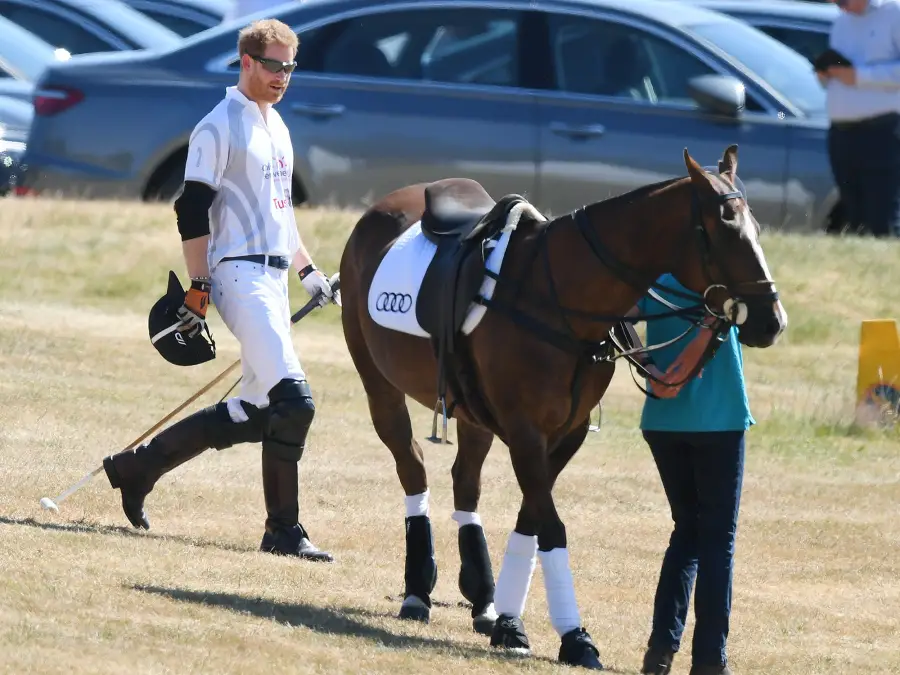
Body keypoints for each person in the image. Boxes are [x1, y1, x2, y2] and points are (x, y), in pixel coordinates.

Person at [102, 18, 336, 562]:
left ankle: (137, 469)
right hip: (236, 275)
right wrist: (199, 285)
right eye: (274, 65)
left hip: (274, 277)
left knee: (256, 409)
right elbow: (189, 208)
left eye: (290, 67)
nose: (283, 77)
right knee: (293, 403)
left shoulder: (277, 125)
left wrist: (308, 273)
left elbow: (282, 214)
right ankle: (283, 531)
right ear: (247, 62)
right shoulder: (218, 124)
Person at [624, 274, 753, 675]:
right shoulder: (732, 272)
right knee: (717, 539)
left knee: (687, 533)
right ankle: (710, 660)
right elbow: (764, 325)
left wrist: (647, 366)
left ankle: (660, 650)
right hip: (720, 419)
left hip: (663, 422)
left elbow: (614, 314)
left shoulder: (657, 276)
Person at [817, 0, 900, 237]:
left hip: (881, 131)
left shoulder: (894, 13)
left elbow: (855, 76)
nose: (839, 6)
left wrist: (860, 76)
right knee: (853, 215)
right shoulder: (841, 21)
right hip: (841, 132)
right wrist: (826, 72)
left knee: (882, 216)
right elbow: (840, 75)